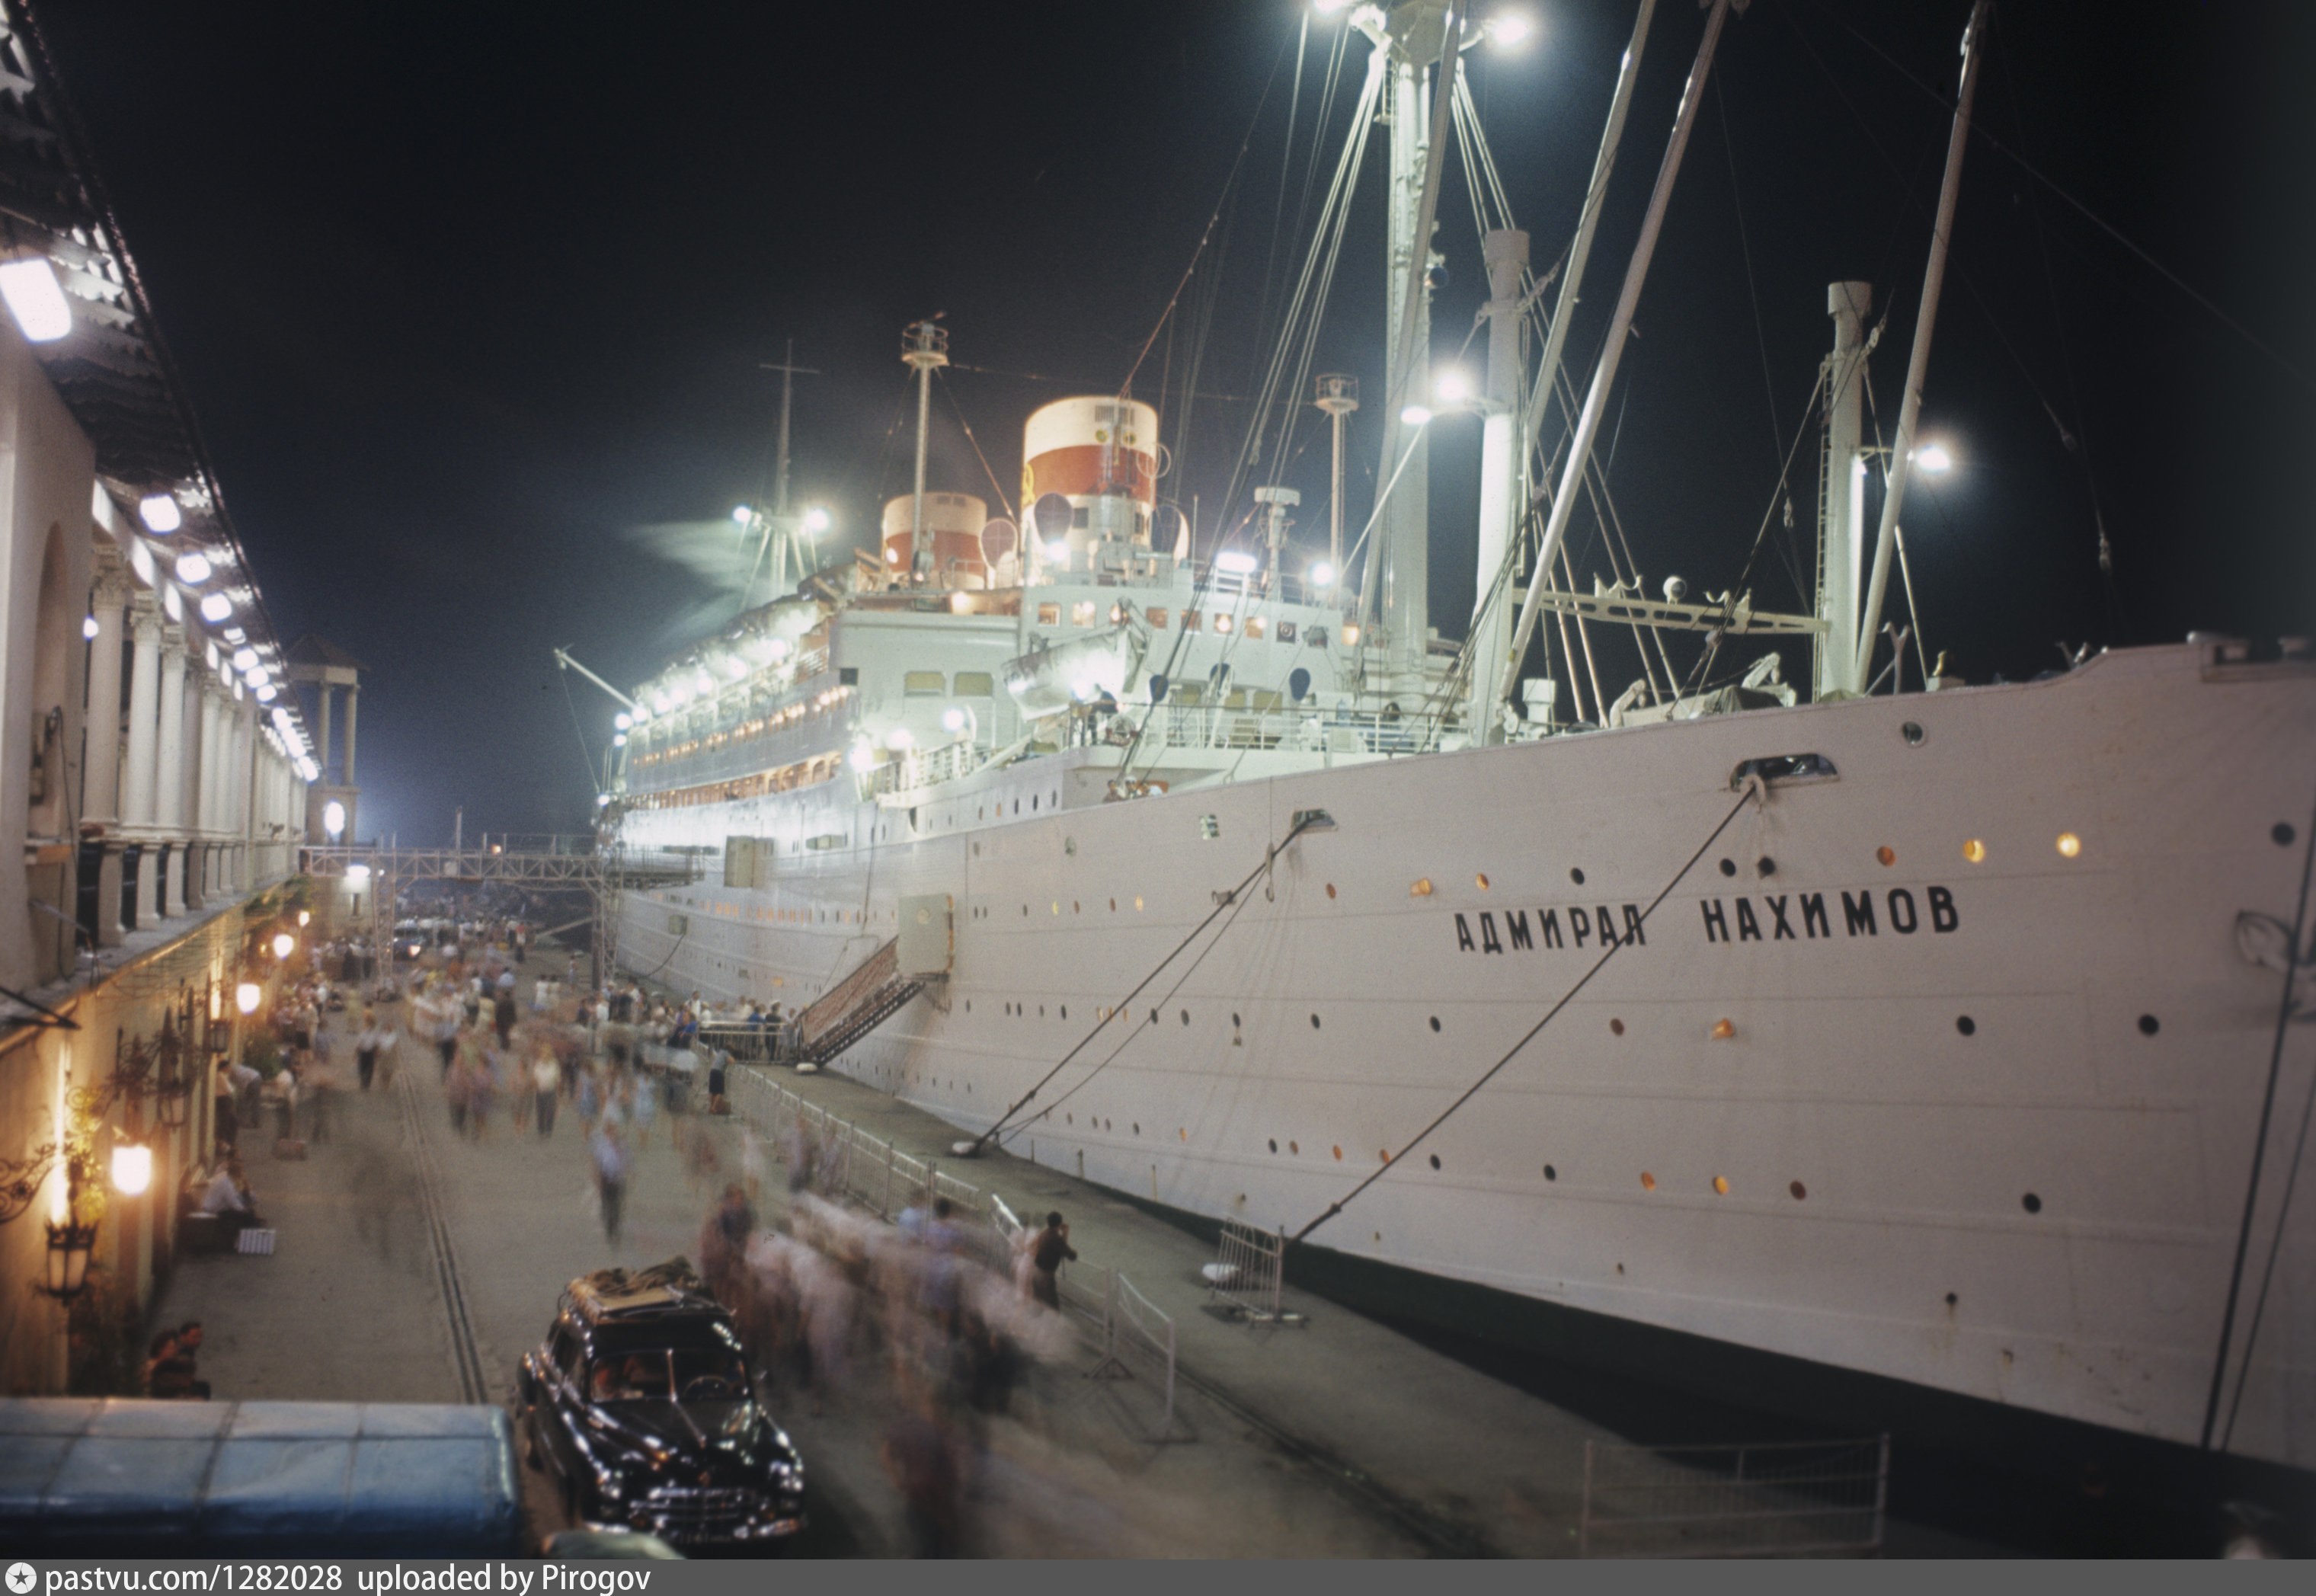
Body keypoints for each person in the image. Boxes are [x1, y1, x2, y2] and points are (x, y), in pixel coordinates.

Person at [592, 1117, 631, 1243]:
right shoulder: (601, 1146)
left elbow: (628, 1161)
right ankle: (610, 1230)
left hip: (618, 1179)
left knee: (617, 1206)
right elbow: (596, 1164)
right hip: (606, 1178)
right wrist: (597, 1180)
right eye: (610, 1131)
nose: (613, 1133)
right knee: (607, 1206)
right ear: (606, 1132)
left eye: (614, 1130)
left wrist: (630, 1175)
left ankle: (616, 1230)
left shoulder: (622, 1144)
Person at [1030, 1211, 1076, 1310]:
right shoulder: (1055, 1238)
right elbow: (1071, 1255)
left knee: (1037, 1303)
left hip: (1036, 1271)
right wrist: (1065, 1234)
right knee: (1053, 1306)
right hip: (1046, 1275)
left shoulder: (1044, 1233)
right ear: (1060, 1224)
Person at [532, 1047, 560, 1137]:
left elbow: (557, 1079)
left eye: (547, 1053)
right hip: (540, 1091)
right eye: (543, 1053)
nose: (545, 1055)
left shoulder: (554, 1064)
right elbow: (535, 1077)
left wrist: (559, 1093)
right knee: (540, 1111)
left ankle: (549, 1129)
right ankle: (541, 1129)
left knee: (550, 1111)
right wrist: (536, 1088)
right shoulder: (538, 1064)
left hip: (551, 1091)